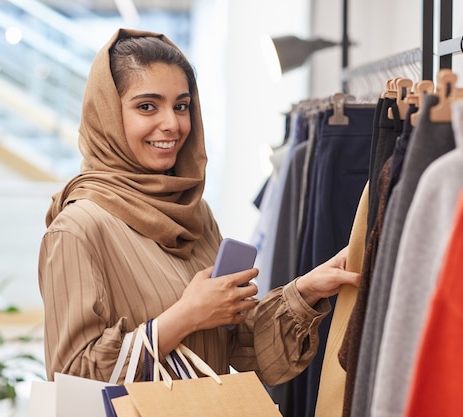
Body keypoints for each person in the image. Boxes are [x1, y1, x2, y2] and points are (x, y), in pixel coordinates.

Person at [38, 28, 359, 386]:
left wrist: (306, 290)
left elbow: (242, 347)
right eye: (147, 106)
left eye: (181, 106)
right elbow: (73, 377)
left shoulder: (195, 213)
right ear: (108, 115)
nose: (172, 124)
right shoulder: (79, 227)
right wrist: (186, 315)